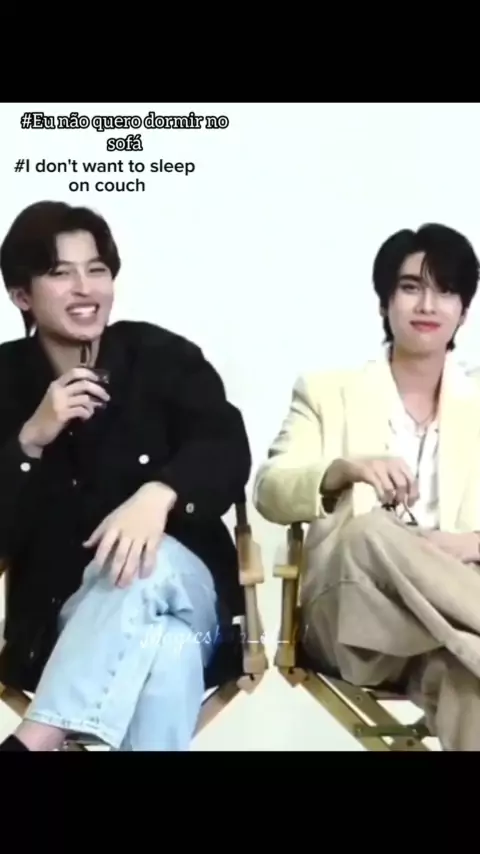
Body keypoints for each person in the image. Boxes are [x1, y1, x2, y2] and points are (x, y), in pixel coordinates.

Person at [0, 200, 251, 751]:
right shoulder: (5, 382)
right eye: (60, 273)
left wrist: (158, 495)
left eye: (96, 270)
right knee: (165, 651)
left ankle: (35, 739)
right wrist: (29, 441)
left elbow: (226, 448)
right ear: (22, 296)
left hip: (198, 610)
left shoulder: (163, 358)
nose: (84, 288)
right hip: (61, 631)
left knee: (146, 559)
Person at [254, 222, 480, 751]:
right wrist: (343, 470)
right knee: (367, 531)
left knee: (468, 681)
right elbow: (269, 489)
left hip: (452, 635)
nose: (428, 304)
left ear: (464, 312)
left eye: (446, 291)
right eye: (411, 287)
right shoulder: (326, 391)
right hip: (355, 618)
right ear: (384, 302)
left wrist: (468, 544)